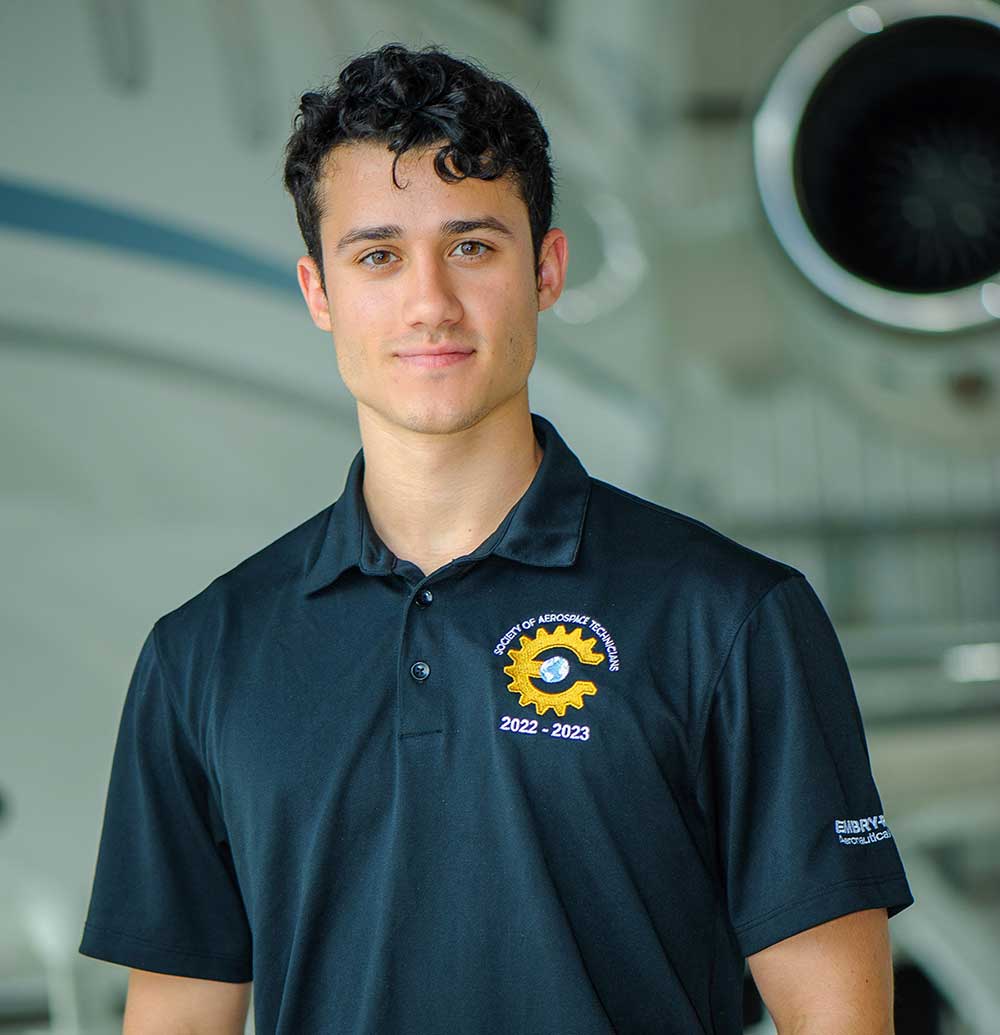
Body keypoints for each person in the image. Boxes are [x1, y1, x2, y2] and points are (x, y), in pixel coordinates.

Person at [79, 42, 913, 1034]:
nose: (430, 302)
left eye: (472, 246)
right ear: (317, 292)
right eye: (378, 256)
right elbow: (176, 1017)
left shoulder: (728, 619)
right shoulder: (203, 656)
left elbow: (841, 1020)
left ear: (546, 269)